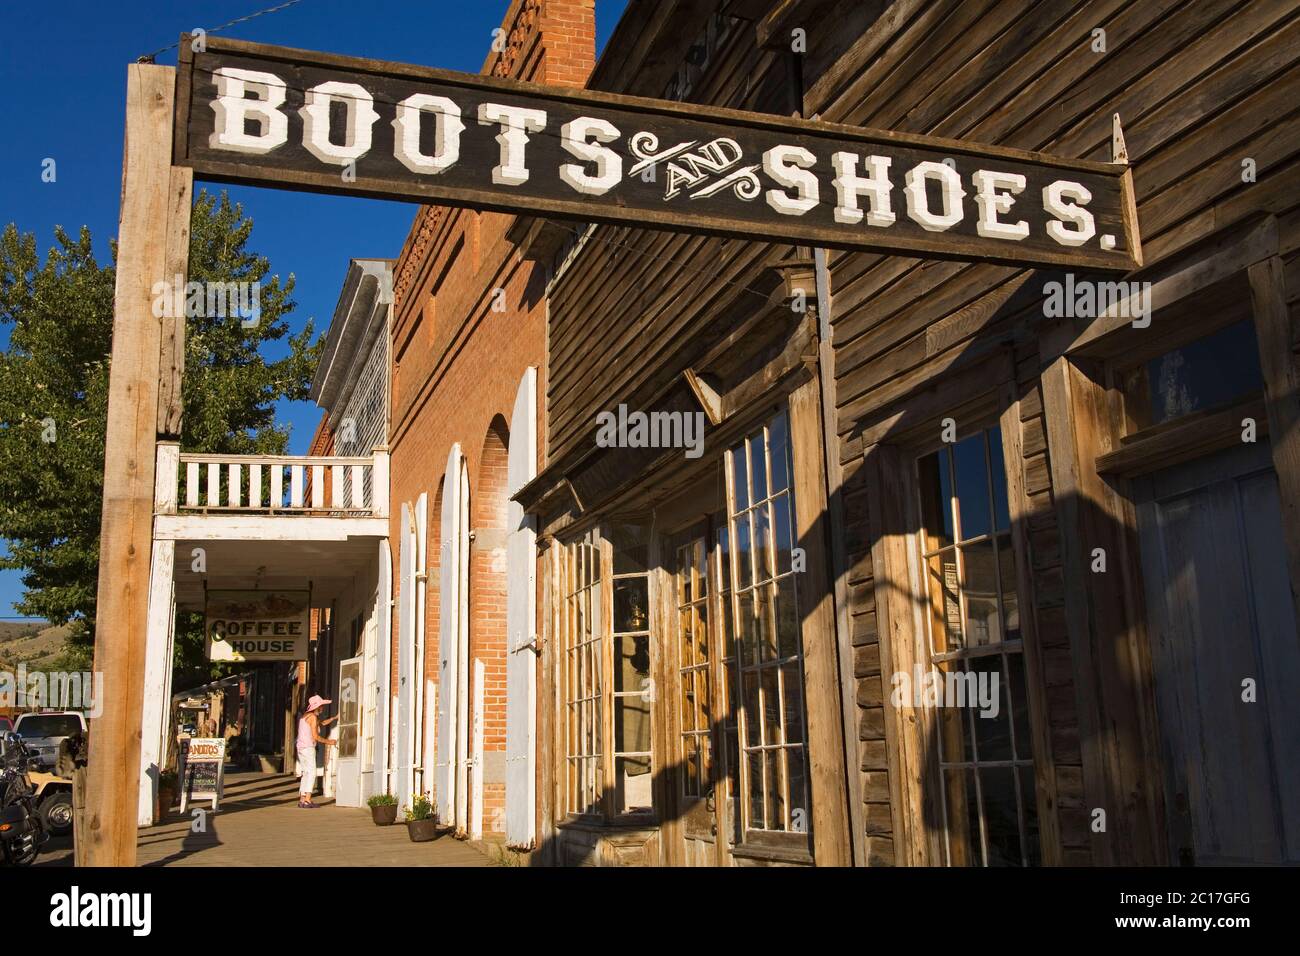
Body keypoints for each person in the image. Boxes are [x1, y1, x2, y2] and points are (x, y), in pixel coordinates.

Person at [296, 695, 337, 808]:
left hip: (301, 748)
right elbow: (315, 736)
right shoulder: (313, 717)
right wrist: (329, 742)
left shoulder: (306, 716)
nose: (323, 708)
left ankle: (302, 799)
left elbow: (322, 723)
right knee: (312, 772)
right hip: (308, 747)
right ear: (317, 707)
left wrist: (334, 718)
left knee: (305, 773)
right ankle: (308, 799)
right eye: (322, 706)